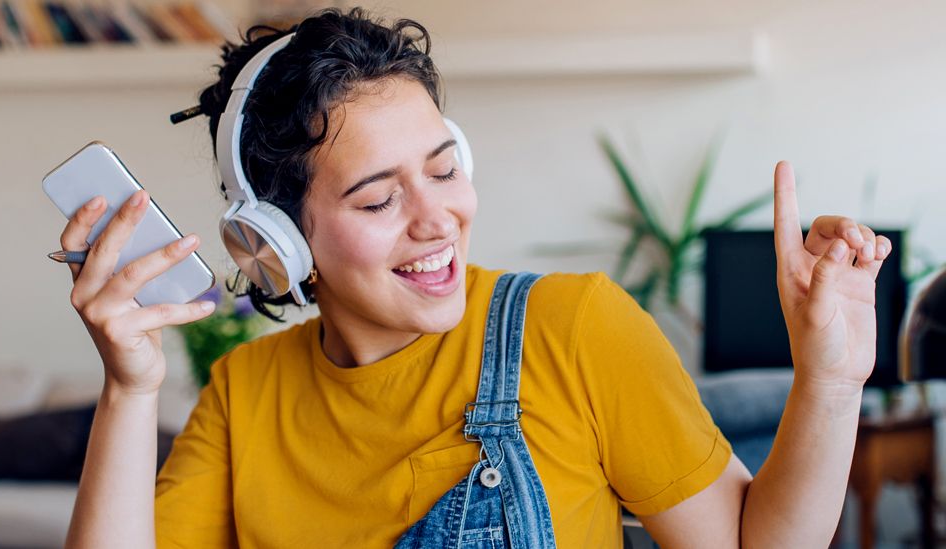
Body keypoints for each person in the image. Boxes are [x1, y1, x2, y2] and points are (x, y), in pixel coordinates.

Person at [59, 8, 893, 549]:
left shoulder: (576, 328)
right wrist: (129, 391)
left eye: (444, 167)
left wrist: (831, 377)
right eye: (380, 196)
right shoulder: (245, 398)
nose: (437, 218)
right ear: (276, 240)